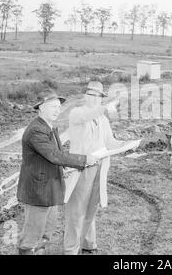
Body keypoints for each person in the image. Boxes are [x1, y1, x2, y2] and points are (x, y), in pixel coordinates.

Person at [16, 90, 98, 255]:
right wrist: (83, 160)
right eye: (52, 106)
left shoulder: (49, 127)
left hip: (49, 189)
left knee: (46, 232)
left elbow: (53, 155)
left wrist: (65, 168)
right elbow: (54, 155)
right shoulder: (36, 130)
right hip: (38, 192)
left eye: (58, 106)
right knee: (32, 235)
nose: (57, 110)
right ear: (40, 108)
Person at [64, 81, 124, 255]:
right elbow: (88, 115)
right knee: (76, 211)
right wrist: (107, 105)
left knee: (91, 208)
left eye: (98, 96)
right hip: (81, 168)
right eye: (91, 94)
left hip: (99, 167)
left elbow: (110, 141)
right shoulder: (77, 113)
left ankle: (89, 245)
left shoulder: (102, 119)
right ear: (85, 96)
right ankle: (71, 250)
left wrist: (126, 144)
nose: (94, 98)